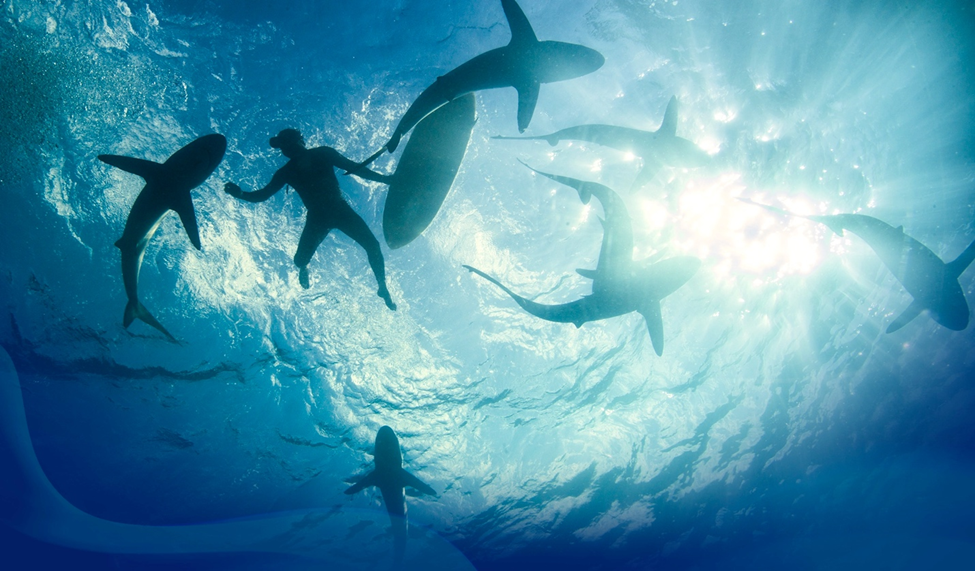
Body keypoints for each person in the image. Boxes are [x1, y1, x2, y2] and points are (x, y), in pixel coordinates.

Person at [224, 128, 396, 310]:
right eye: (282, 146)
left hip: (340, 210)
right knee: (299, 261)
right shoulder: (285, 172)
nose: (284, 149)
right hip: (317, 218)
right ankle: (304, 268)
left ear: (300, 141)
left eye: (286, 143)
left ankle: (382, 286)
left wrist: (386, 179)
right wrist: (241, 194)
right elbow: (263, 195)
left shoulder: (323, 153)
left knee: (372, 245)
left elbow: (355, 168)